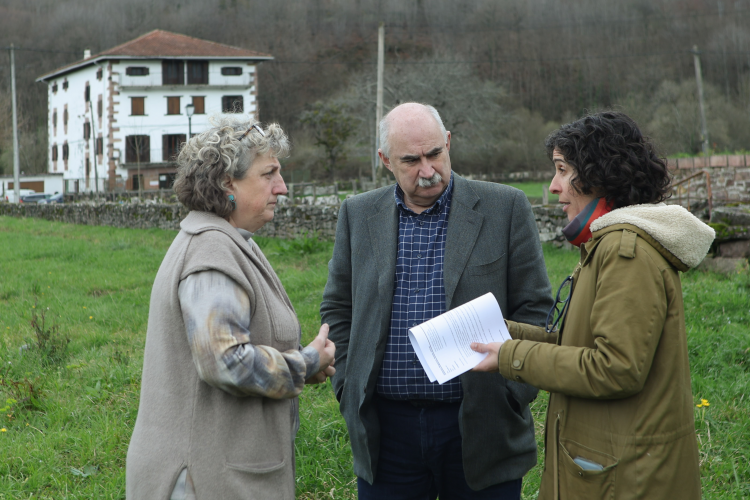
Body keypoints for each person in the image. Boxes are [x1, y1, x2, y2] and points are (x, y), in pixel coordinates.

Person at [472, 111, 714, 500]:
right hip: (609, 469)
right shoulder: (606, 244)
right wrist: (503, 333)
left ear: (600, 174)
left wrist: (511, 356)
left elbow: (615, 368)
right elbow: (585, 348)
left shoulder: (624, 251)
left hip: (625, 479)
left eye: (562, 169)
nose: (553, 186)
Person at [320, 102, 553, 499]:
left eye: (434, 154)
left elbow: (535, 307)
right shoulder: (358, 215)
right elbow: (338, 309)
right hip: (387, 432)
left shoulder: (505, 207)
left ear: (448, 143)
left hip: (482, 423)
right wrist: (348, 385)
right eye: (411, 160)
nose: (427, 171)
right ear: (385, 161)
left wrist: (511, 394)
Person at [126, 117, 335, 500]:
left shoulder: (232, 242)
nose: (282, 188)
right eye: (269, 174)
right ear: (227, 183)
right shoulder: (212, 251)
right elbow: (225, 361)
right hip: (203, 479)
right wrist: (304, 363)